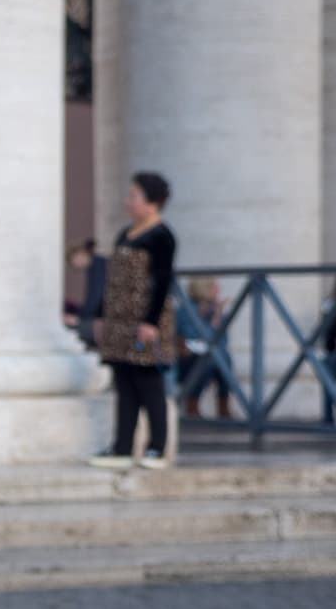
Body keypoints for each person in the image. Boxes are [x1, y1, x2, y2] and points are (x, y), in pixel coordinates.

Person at [89, 171, 178, 469]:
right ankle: (122, 447)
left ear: (152, 203)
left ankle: (157, 448)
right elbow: (111, 279)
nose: (128, 202)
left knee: (149, 382)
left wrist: (150, 322)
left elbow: (163, 281)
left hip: (144, 320)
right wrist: (102, 315)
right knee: (124, 381)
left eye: (134, 196)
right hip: (119, 319)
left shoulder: (162, 237)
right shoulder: (125, 234)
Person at [178, 276, 233, 419]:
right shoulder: (187, 309)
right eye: (215, 286)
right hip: (188, 357)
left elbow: (222, 342)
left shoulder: (216, 310)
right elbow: (193, 338)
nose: (219, 290)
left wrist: (216, 317)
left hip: (211, 357)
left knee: (224, 358)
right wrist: (212, 322)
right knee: (207, 362)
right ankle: (193, 406)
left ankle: (224, 407)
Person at [63, 239, 108, 349]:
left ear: (82, 253)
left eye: (75, 261)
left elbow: (96, 296)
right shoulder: (96, 264)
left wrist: (80, 318)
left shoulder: (98, 265)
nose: (76, 265)